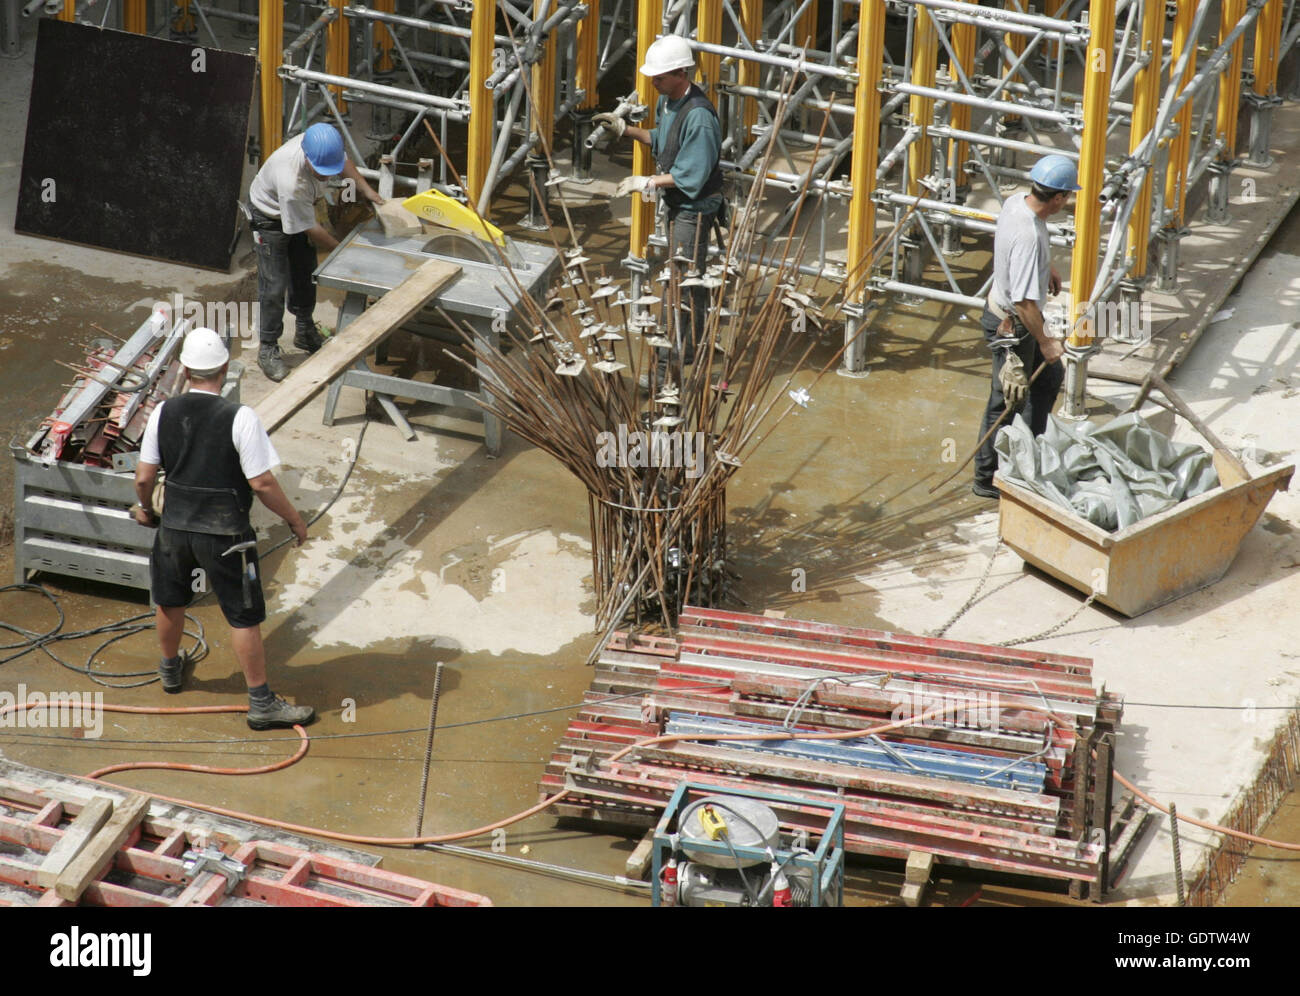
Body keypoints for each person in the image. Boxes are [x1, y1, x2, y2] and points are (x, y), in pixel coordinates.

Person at [133, 327, 315, 730]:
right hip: (226, 535)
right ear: (225, 368)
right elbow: (262, 483)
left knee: (170, 599)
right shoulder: (240, 417)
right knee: (242, 615)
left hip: (175, 529)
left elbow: (144, 476)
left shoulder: (163, 412)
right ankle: (261, 703)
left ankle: (169, 671)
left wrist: (146, 509)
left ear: (183, 369)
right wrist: (295, 519)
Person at [596, 35, 724, 386]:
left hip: (693, 209)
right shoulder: (670, 101)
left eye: (661, 76)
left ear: (682, 73)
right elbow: (664, 140)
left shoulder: (699, 116)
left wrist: (648, 182)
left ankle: (665, 376)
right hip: (680, 203)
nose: (654, 82)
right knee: (690, 284)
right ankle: (692, 353)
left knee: (677, 289)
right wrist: (626, 130)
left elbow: (692, 175)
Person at [972, 154, 1079, 499]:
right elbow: (1023, 303)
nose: (1070, 202)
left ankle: (1027, 454)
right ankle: (987, 479)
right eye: (1069, 197)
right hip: (1012, 326)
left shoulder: (1017, 202)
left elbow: (1014, 251)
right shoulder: (1029, 237)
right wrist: (1047, 342)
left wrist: (1044, 268)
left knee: (1048, 378)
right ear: (1059, 197)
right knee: (1006, 401)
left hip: (1010, 312)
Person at [247, 122, 384, 382]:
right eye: (321, 172)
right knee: (274, 283)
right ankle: (267, 347)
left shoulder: (325, 148)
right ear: (307, 157)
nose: (326, 177)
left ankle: (304, 329)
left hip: (302, 207)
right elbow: (309, 227)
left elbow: (343, 164)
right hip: (269, 216)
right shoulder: (291, 178)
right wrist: (341, 248)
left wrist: (369, 193)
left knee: (306, 269)